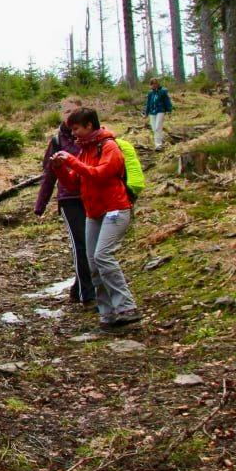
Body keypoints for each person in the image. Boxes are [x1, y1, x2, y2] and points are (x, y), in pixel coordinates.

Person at [51, 107, 142, 329]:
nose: (73, 134)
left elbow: (100, 174)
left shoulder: (109, 147)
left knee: (102, 255)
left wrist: (71, 161)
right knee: (92, 261)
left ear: (89, 126)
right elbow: (73, 182)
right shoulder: (84, 151)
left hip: (116, 209)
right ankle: (108, 313)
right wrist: (60, 169)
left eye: (76, 129)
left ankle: (126, 306)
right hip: (94, 212)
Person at [35, 98, 94, 306]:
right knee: (81, 244)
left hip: (93, 195)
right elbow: (49, 175)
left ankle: (80, 286)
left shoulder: (92, 137)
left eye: (73, 111)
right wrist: (40, 205)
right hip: (69, 198)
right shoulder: (57, 140)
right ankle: (87, 293)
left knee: (93, 245)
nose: (69, 115)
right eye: (66, 111)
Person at [144, 78, 173, 149]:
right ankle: (159, 140)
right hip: (152, 112)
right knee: (154, 129)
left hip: (160, 111)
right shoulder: (150, 93)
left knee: (157, 127)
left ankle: (158, 145)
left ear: (157, 84)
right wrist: (146, 113)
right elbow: (148, 103)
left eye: (155, 83)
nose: (154, 85)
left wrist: (169, 110)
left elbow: (167, 101)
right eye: (152, 84)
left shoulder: (163, 92)